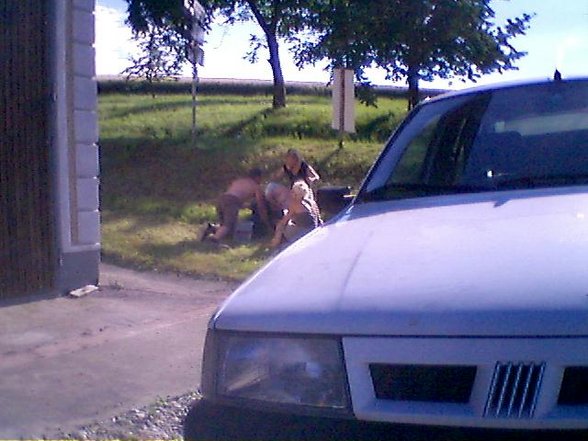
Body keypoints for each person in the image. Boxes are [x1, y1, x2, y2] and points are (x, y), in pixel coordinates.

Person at [202, 168, 270, 243]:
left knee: (225, 225)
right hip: (232, 201)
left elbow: (236, 195)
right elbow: (261, 204)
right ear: (258, 177)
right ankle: (214, 239)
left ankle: (211, 228)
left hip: (222, 198)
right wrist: (265, 218)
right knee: (229, 224)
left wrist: (245, 205)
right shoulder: (256, 186)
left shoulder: (239, 181)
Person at [270, 180, 321, 248]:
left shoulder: (295, 205)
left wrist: (278, 227)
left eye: (293, 192)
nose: (291, 193)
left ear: (297, 194)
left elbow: (284, 221)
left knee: (281, 225)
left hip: (305, 232)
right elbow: (318, 218)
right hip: (314, 228)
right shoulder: (311, 202)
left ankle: (275, 243)